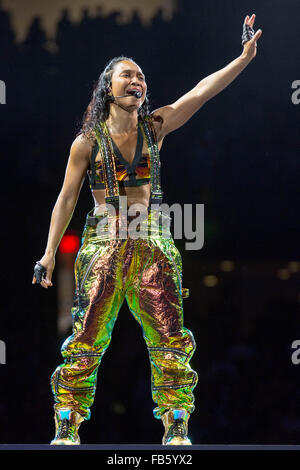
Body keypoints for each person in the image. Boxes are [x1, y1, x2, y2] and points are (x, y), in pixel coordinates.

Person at [32, 14, 262, 445]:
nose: (136, 80)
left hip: (153, 244)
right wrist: (48, 254)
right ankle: (67, 423)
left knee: (169, 337)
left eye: (140, 76)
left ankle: (176, 424)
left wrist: (243, 58)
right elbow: (65, 199)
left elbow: (201, 92)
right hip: (102, 245)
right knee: (86, 336)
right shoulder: (86, 142)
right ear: (108, 87)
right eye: (126, 75)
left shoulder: (155, 128)